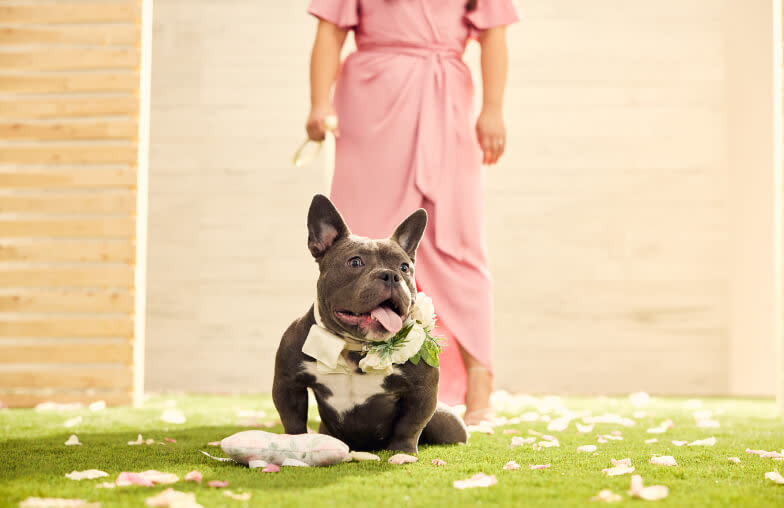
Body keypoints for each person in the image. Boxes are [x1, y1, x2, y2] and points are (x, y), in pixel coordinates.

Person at [305, 0, 519, 425]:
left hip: (447, 104)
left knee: (457, 242)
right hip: (371, 106)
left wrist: (492, 108)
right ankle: (352, 388)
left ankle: (479, 389)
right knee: (357, 248)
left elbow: (495, 33)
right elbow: (330, 30)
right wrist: (318, 103)